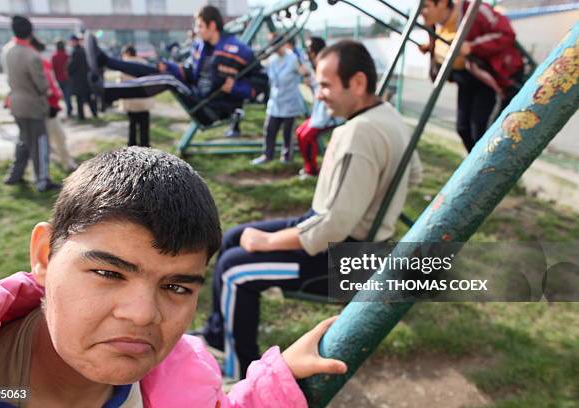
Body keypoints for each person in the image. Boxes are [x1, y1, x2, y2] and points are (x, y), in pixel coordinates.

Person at [0, 146, 347, 407]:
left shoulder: (180, 381)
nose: (142, 314)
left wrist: (271, 388)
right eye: (108, 272)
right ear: (44, 254)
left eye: (176, 286)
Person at [196, 40, 423, 380]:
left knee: (234, 270)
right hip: (338, 232)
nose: (318, 94)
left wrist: (269, 243)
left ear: (357, 83)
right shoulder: (388, 114)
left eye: (326, 85)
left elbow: (334, 225)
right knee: (234, 237)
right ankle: (218, 336)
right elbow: (415, 175)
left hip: (344, 256)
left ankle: (238, 370)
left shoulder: (360, 133)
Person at [90, 5, 267, 126]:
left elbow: (262, 81)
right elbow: (190, 74)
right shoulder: (200, 46)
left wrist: (236, 87)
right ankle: (106, 61)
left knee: (168, 80)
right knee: (160, 69)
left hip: (214, 110)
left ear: (212, 25)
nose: (196, 30)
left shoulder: (238, 50)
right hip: (198, 96)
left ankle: (108, 92)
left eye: (199, 26)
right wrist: (170, 67)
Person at [419, 0, 523, 152]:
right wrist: (431, 47)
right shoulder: (435, 24)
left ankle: (489, 169)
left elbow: (506, 34)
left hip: (489, 81)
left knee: (481, 131)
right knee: (463, 129)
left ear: (441, 3)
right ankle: (476, 167)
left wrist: (472, 47)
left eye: (425, 6)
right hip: (466, 80)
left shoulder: (473, 11)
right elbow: (449, 43)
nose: (421, 12)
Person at [1, 15, 59, 192]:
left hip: (16, 103)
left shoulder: (7, 50)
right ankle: (42, 180)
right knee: (40, 143)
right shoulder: (32, 55)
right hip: (33, 105)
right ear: (31, 32)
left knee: (23, 140)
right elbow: (42, 86)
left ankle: (14, 175)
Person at [251, 35, 307, 165]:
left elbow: (303, 72)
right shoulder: (273, 60)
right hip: (275, 102)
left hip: (289, 102)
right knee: (270, 130)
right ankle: (267, 155)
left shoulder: (293, 58)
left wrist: (304, 69)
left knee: (288, 132)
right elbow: (261, 65)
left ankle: (287, 158)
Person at [295, 36, 343, 179]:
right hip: (319, 113)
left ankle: (312, 170)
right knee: (299, 132)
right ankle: (310, 166)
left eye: (309, 49)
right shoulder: (316, 66)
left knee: (307, 136)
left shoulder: (326, 66)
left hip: (329, 116)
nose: (307, 52)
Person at [31, 36, 77, 172]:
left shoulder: (45, 62)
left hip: (51, 105)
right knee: (51, 139)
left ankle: (63, 162)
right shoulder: (37, 64)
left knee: (57, 136)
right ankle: (48, 170)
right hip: (46, 106)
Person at [118, 44, 155, 147]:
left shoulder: (123, 65)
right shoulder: (144, 63)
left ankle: (132, 145)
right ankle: (145, 145)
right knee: (144, 126)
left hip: (131, 100)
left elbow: (120, 83)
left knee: (132, 125)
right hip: (144, 100)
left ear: (127, 53)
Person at [68, 33, 97, 120]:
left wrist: (68, 69)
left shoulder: (75, 52)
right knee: (88, 97)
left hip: (78, 79)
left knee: (80, 99)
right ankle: (94, 113)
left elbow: (72, 66)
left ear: (74, 41)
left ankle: (81, 116)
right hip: (85, 78)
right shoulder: (83, 50)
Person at [51, 39, 73, 118]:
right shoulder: (67, 55)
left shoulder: (54, 56)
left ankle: (68, 109)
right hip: (67, 78)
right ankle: (69, 110)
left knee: (64, 95)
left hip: (59, 78)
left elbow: (53, 68)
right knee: (68, 95)